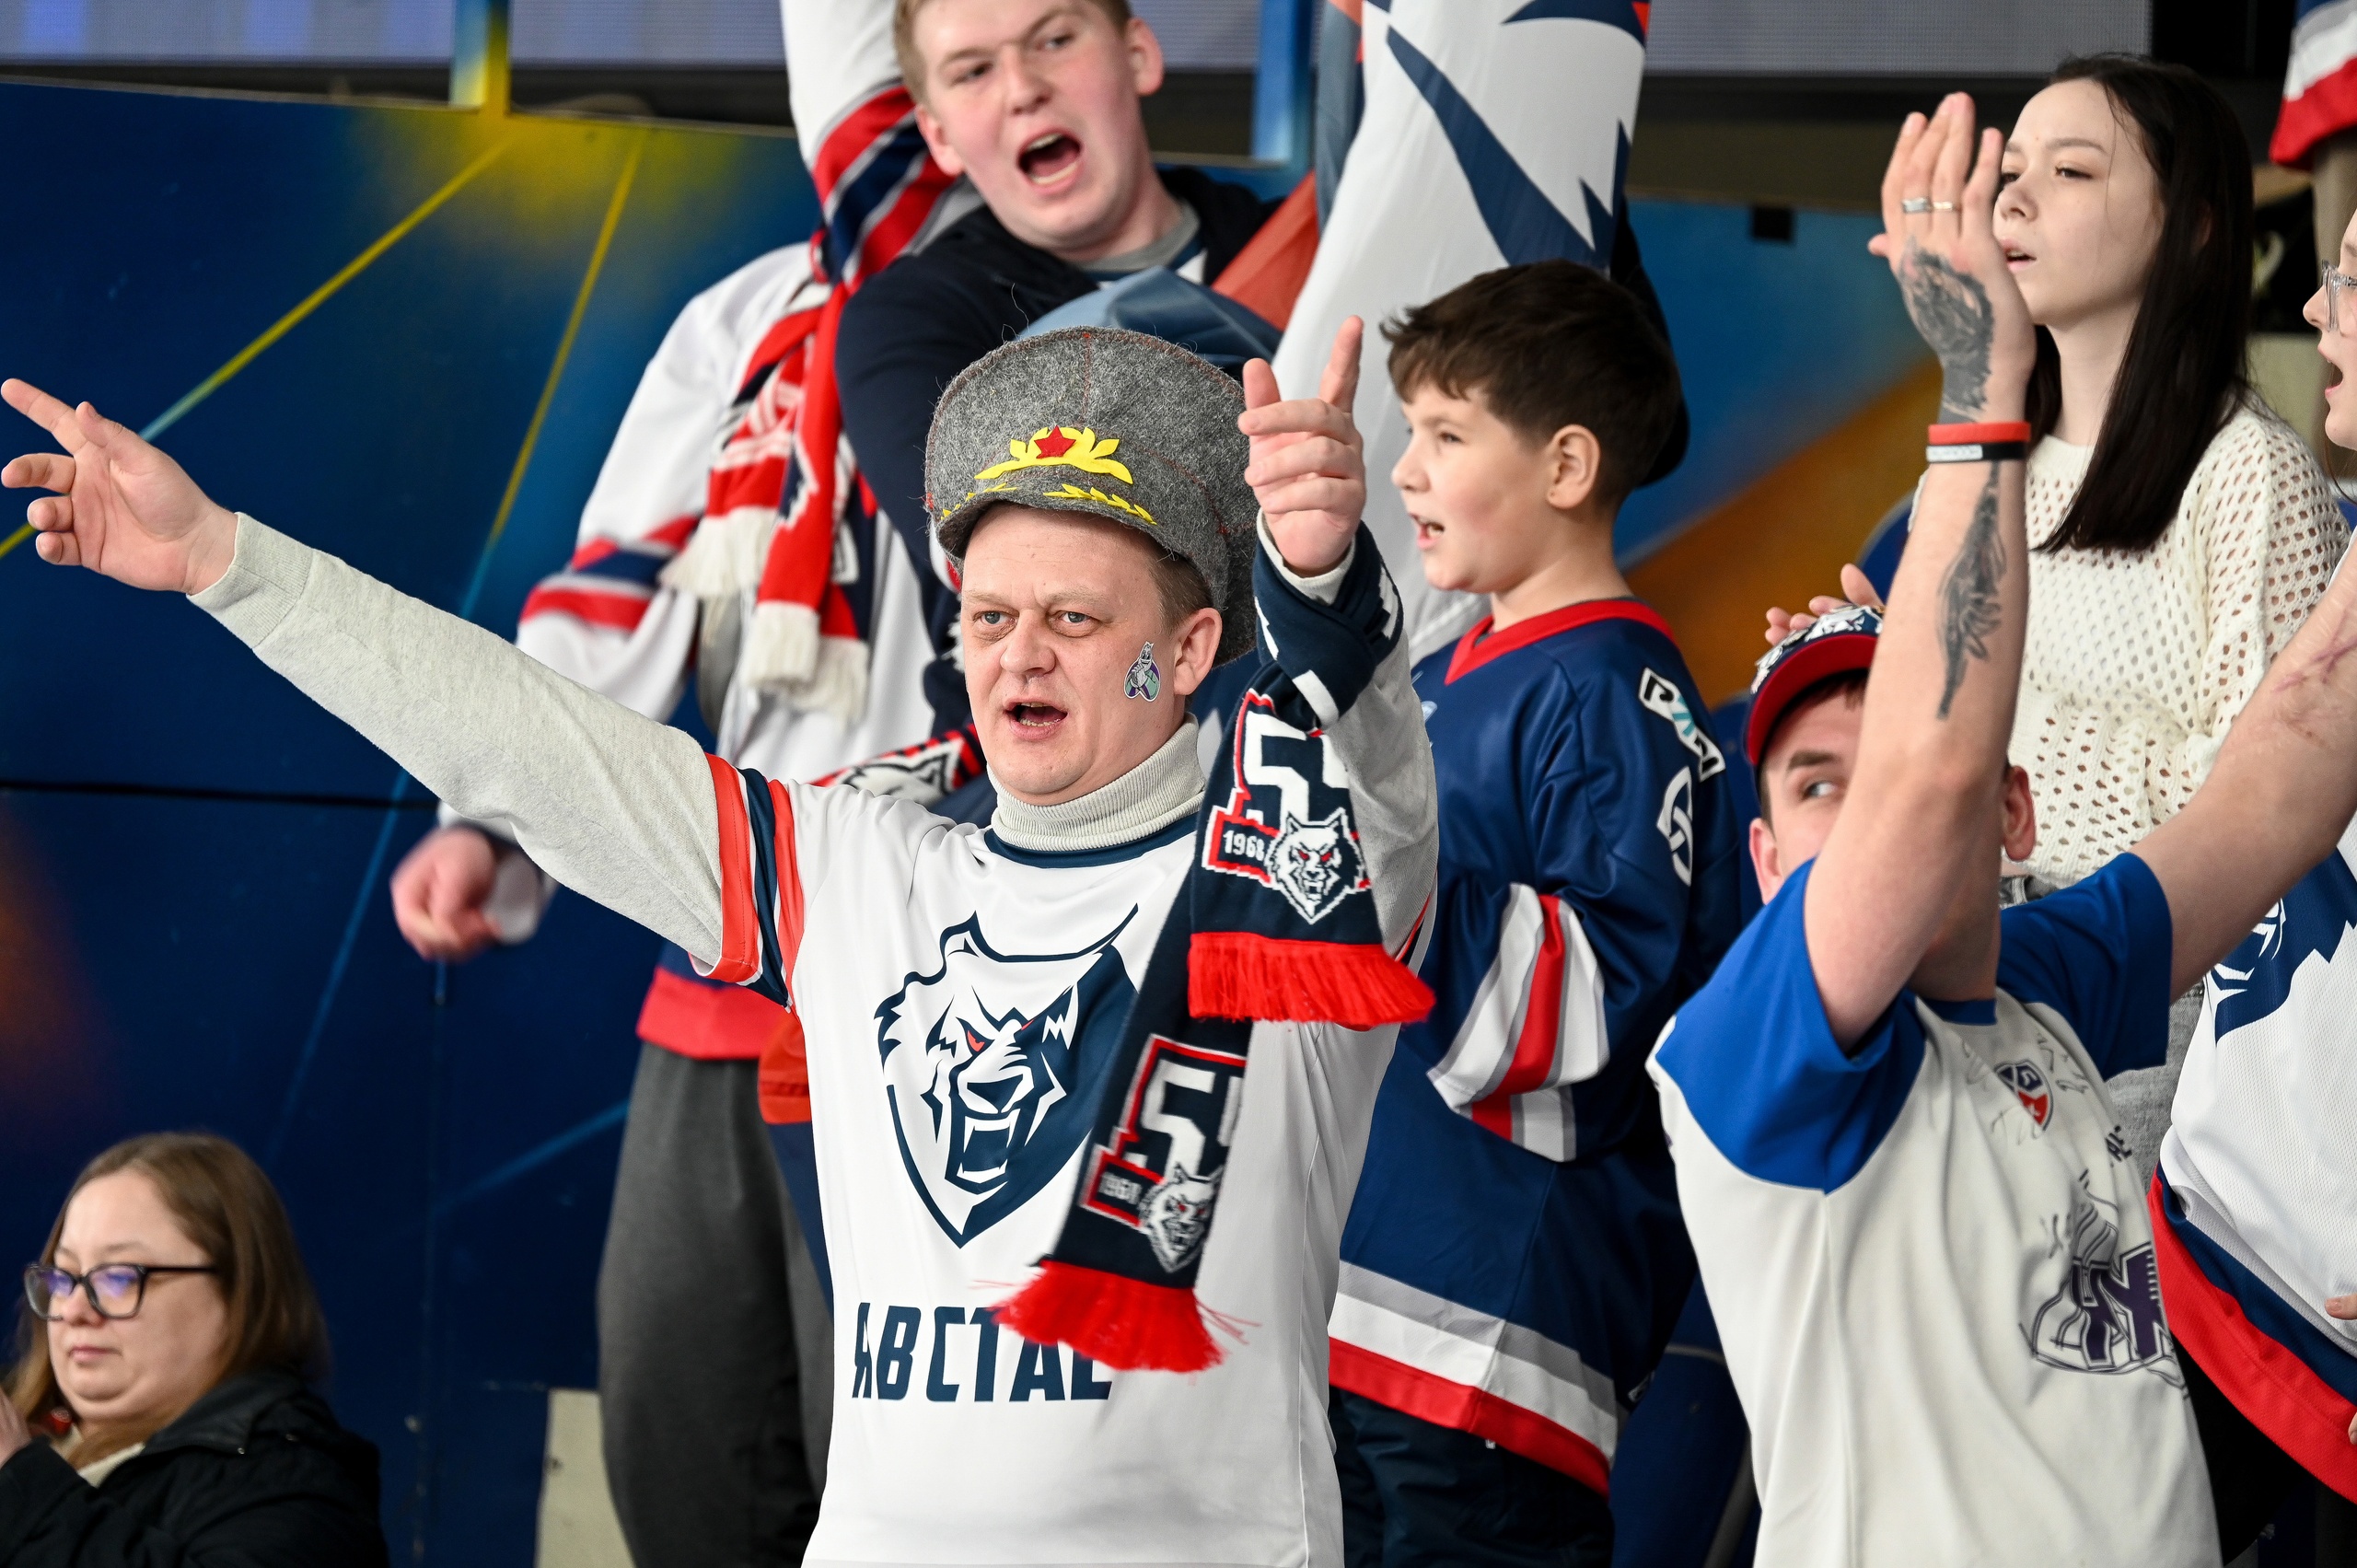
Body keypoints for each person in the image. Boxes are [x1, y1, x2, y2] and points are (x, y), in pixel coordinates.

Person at [0, 314, 1436, 1565]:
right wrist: (229, 562)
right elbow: (532, 741)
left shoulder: (1294, 871)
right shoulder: (859, 862)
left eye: (1073, 615)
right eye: (991, 613)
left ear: (1188, 651)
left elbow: (1376, 775)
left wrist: (1322, 591)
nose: (1019, 652)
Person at [1650, 93, 2357, 1566]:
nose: (1876, 800)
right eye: (1814, 783)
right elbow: (1930, 783)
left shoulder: (2052, 983)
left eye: (2075, 167)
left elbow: (2290, 764)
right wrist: (1982, 382)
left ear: (2012, 803)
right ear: (1763, 868)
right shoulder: (1757, 1046)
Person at [382, 6, 960, 1559]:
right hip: (730, 941)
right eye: (936, 72)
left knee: (897, 1465)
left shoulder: (1079, 306)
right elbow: (617, 584)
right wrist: (491, 816)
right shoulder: (748, 315)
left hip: (951, 968)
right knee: (680, 1434)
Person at [1773, 57, 2347, 1183]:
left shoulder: (2252, 474)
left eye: (2072, 171)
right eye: (2010, 172)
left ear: (2194, 228)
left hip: (2148, 1043)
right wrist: (1874, 676)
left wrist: (1978, 727)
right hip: (1969, 988)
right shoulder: (1988, 467)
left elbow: (2277, 821)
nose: (2017, 201)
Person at [1323, 261, 1741, 1568]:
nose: (1405, 470)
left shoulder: (1615, 690)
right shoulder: (1441, 669)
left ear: (1567, 464)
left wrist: (1374, 857)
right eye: (1411, 431)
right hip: (1361, 1305)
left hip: (1490, 1339)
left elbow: (1595, 1025)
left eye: (1447, 435)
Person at [2142, 204, 2357, 1562]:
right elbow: (2259, 798)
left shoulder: (2264, 482)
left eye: (2356, 279)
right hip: (2217, 1232)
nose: (2319, 308)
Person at [0, 1132, 386, 1567]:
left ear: (237, 1297)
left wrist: (18, 1488)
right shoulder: (40, 1439)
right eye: (63, 1276)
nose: (73, 1310)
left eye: (120, 1278)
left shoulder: (297, 1489)